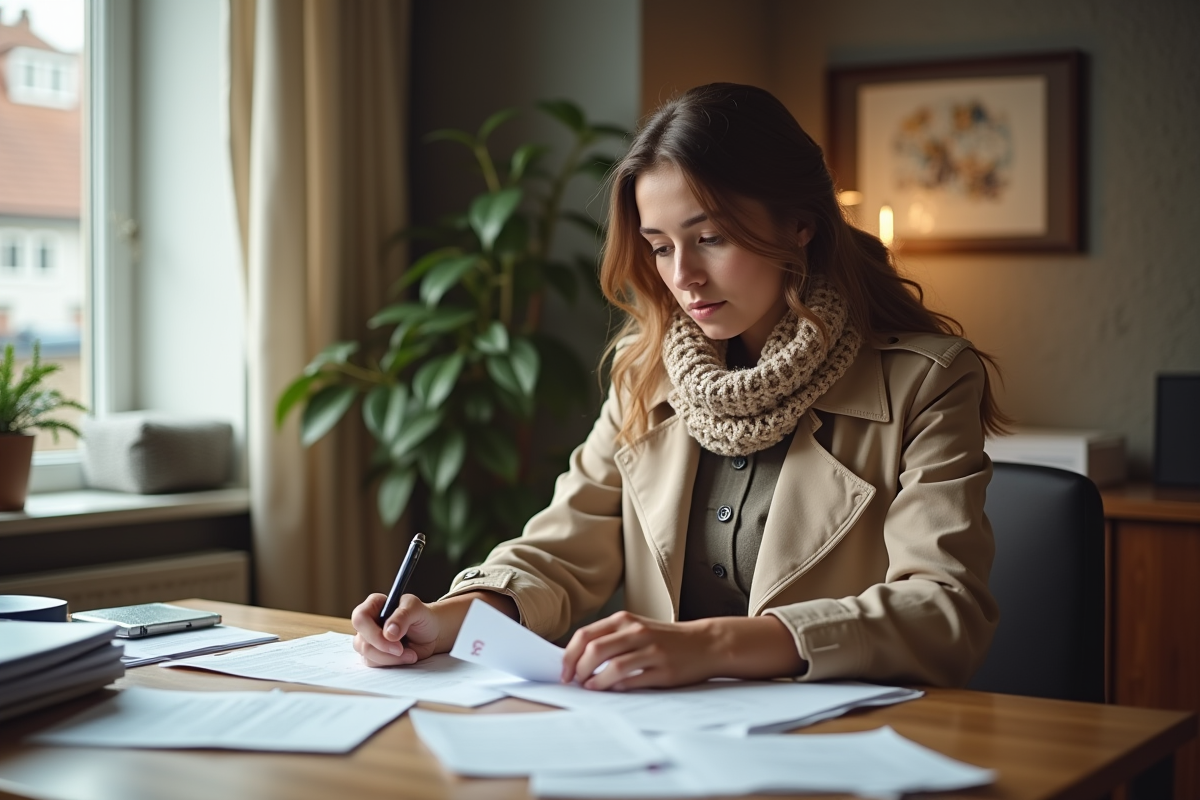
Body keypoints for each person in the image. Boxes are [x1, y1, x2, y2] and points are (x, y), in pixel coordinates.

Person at [351, 82, 1003, 691]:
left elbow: (942, 610)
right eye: (660, 246)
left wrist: (714, 644)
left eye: (710, 237)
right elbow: (558, 552)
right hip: (669, 742)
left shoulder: (929, 380)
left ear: (798, 225)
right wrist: (454, 617)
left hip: (846, 745)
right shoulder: (648, 374)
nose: (683, 275)